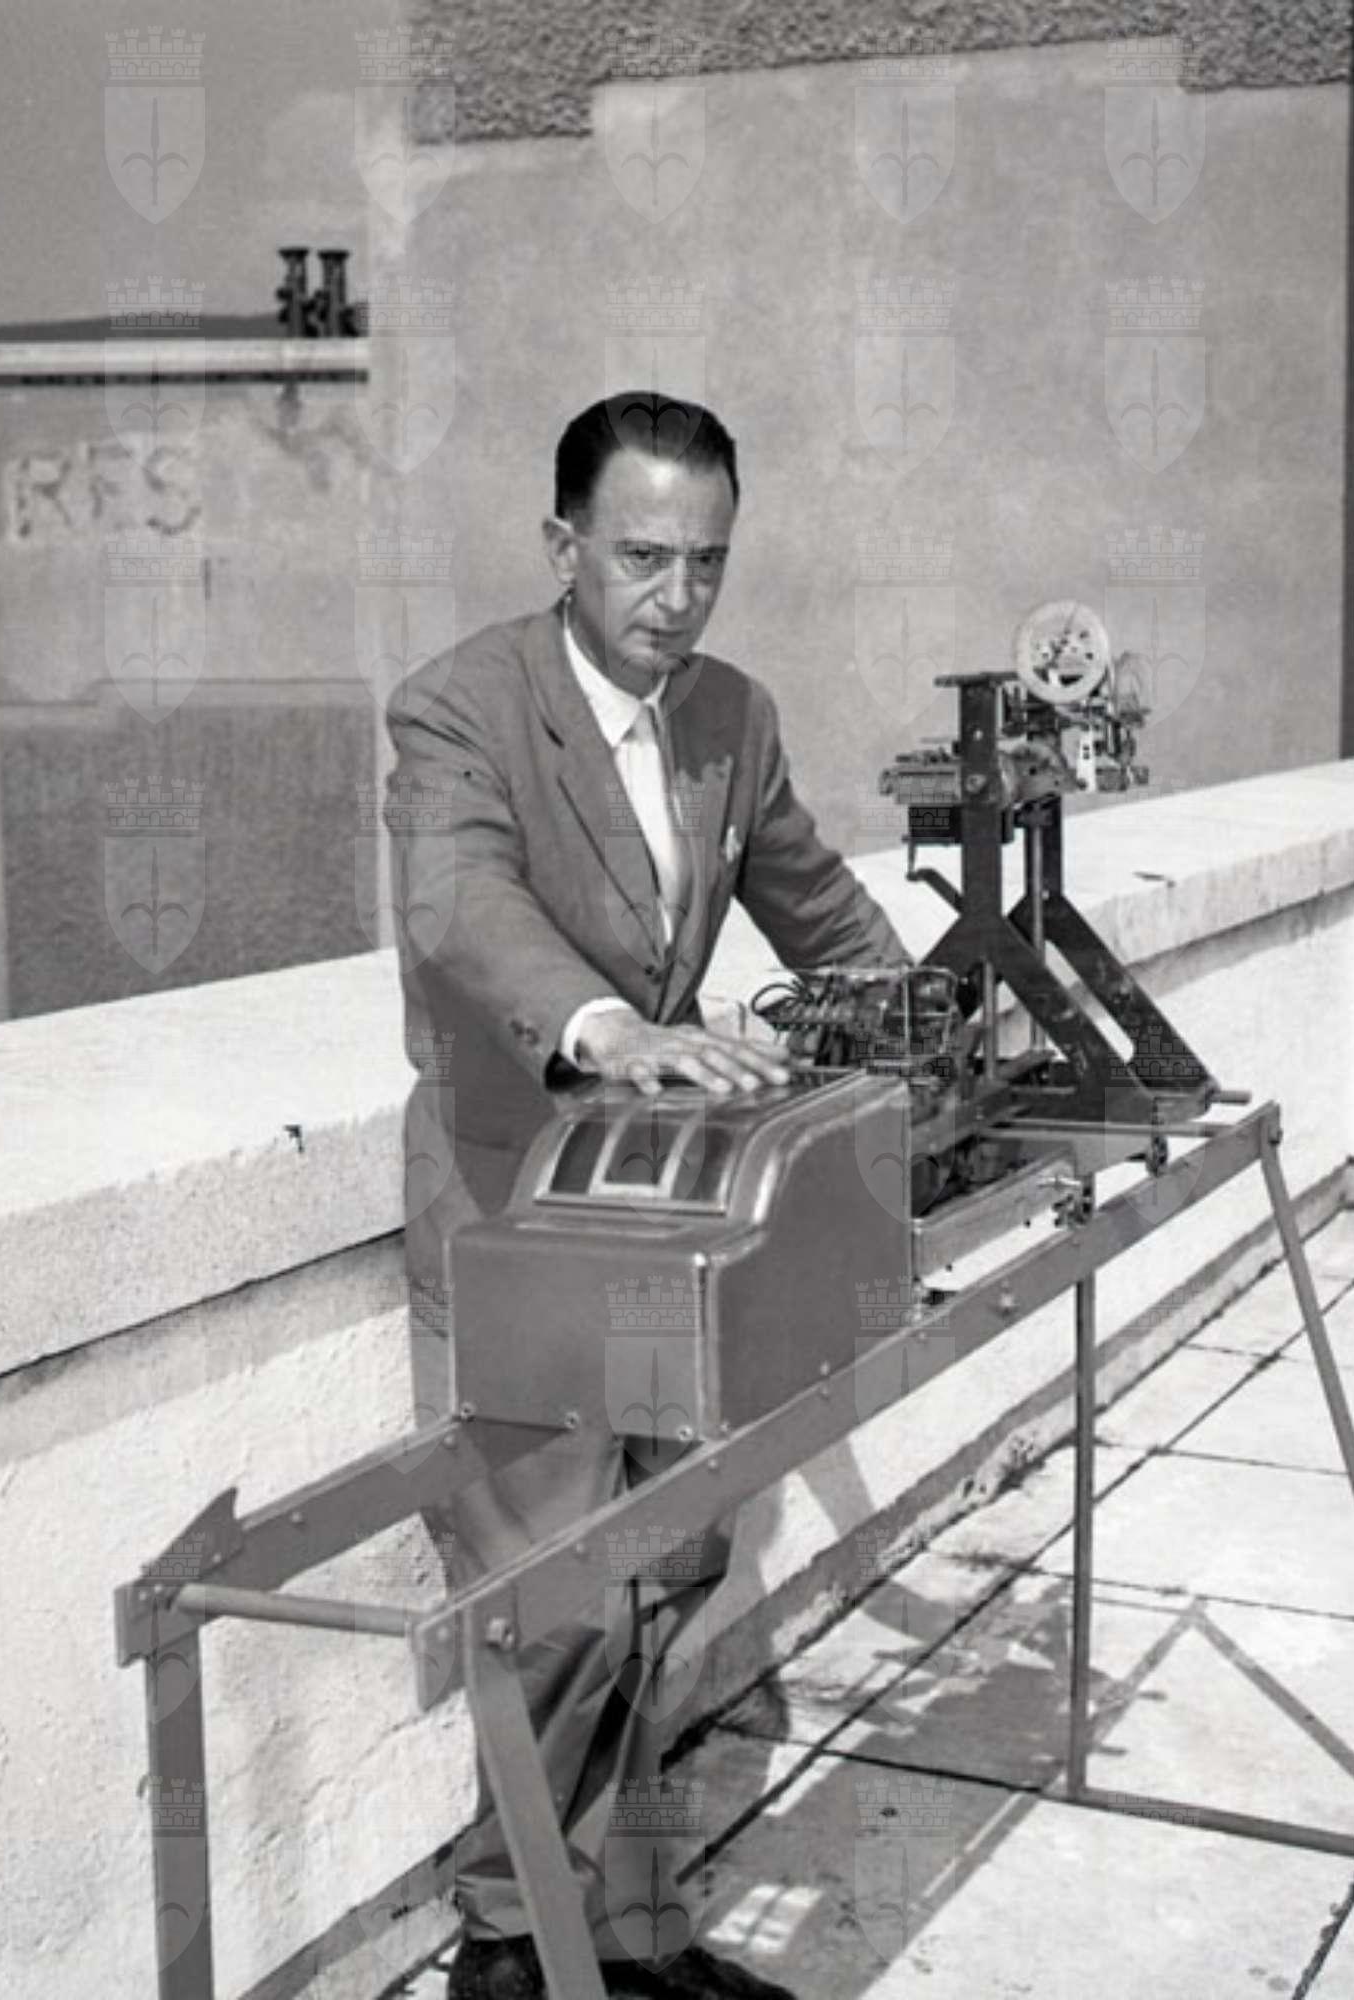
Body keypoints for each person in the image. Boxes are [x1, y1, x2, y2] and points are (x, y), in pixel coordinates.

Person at [384, 393, 909, 2000]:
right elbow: (458, 905)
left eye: (707, 562)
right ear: (563, 547)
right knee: (554, 1605)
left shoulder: (731, 716)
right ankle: (507, 1949)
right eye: (640, 558)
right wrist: (606, 1027)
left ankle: (624, 1936)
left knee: (670, 1569)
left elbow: (819, 907)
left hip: (678, 1216)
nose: (676, 597)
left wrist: (944, 1027)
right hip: (514, 1213)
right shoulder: (459, 708)